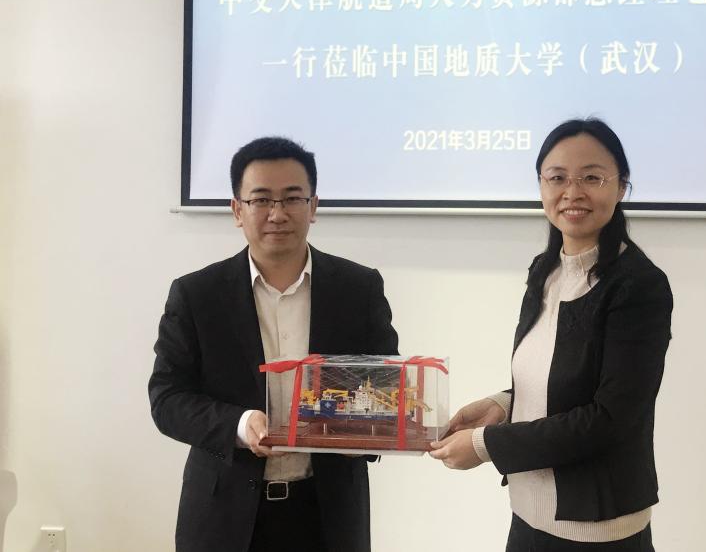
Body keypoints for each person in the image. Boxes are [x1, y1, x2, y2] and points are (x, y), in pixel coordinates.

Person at [429, 118, 673, 551]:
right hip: (528, 513)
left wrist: (485, 445)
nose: (572, 192)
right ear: (541, 186)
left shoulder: (638, 286)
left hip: (599, 524)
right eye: (557, 178)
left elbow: (609, 419)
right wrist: (502, 405)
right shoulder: (545, 272)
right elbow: (556, 376)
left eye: (592, 178)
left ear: (621, 187)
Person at [149, 136, 398, 552]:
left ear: (313, 206)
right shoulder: (197, 295)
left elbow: (386, 389)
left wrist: (364, 436)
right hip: (223, 517)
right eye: (261, 199)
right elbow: (167, 398)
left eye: (292, 198)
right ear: (237, 210)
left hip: (328, 514)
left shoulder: (359, 288)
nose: (277, 214)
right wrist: (239, 424)